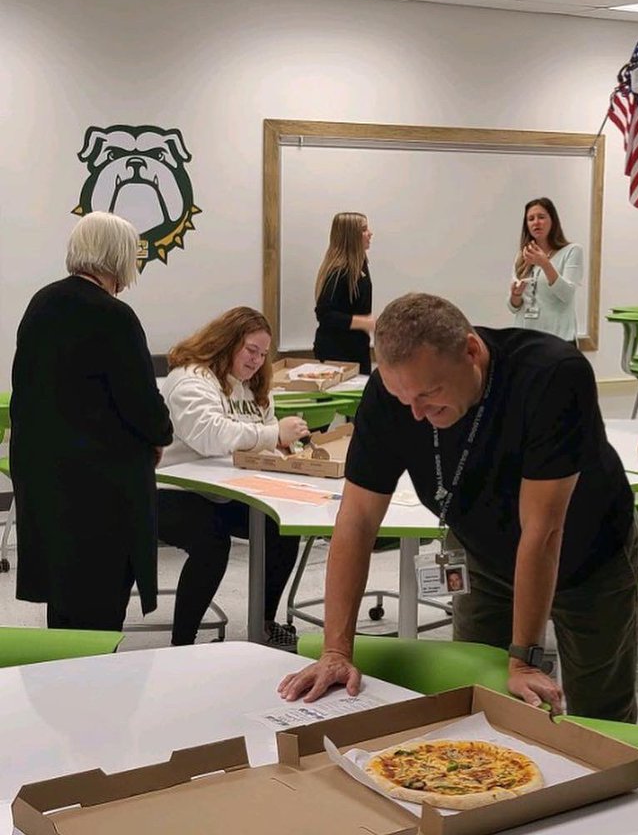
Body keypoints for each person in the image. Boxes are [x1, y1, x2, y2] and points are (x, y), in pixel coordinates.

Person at [278, 293, 638, 721]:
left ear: (471, 351)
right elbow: (356, 521)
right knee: (478, 698)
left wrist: (524, 659)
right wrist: (337, 650)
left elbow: (543, 531)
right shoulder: (394, 395)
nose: (414, 413)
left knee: (600, 714)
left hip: (587, 557)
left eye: (429, 395)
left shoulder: (551, 375)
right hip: (484, 556)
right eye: (402, 396)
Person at [10, 212, 173, 629]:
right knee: (100, 613)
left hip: (46, 480)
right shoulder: (114, 316)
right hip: (102, 493)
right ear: (119, 257)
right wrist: (159, 435)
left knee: (65, 607)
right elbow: (142, 403)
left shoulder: (41, 304)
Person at [157, 307, 309, 648]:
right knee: (211, 541)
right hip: (172, 490)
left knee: (281, 526)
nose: (256, 360)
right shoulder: (191, 379)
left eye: (262, 354)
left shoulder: (252, 387)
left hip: (225, 490)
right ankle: (183, 643)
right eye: (250, 350)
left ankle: (265, 623)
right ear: (226, 342)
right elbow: (211, 436)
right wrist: (273, 436)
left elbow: (261, 434)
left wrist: (283, 449)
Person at [508, 198, 584, 343]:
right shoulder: (522, 256)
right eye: (531, 219)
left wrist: (545, 264)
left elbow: (566, 294)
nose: (536, 222)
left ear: (552, 221)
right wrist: (515, 296)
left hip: (558, 340)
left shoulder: (572, 251)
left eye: (541, 217)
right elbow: (513, 307)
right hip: (526, 341)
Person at [314, 212, 374, 375]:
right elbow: (325, 314)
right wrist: (364, 322)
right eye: (364, 229)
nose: (370, 233)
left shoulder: (361, 265)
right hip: (337, 354)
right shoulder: (339, 271)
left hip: (357, 350)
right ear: (351, 236)